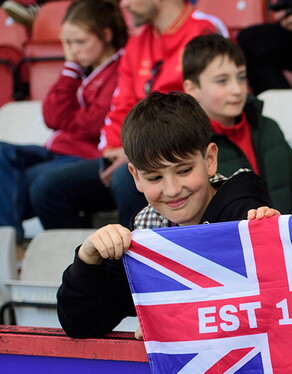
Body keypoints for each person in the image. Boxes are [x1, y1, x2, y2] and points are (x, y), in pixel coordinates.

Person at [57, 91, 277, 339]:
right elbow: (82, 324)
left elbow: (267, 308)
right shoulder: (143, 230)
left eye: (183, 171)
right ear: (136, 177)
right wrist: (88, 260)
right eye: (154, 177)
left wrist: (169, 320)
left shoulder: (245, 213)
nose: (172, 190)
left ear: (210, 160)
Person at [30, 0, 227, 230]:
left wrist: (133, 153)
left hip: (180, 157)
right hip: (129, 157)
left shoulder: (204, 29)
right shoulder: (136, 43)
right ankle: (92, 252)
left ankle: (140, 249)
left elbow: (215, 106)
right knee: (46, 188)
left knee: (126, 178)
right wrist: (111, 150)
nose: (125, 4)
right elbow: (120, 107)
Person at [0, 0, 125, 241]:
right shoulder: (80, 69)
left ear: (106, 35)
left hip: (82, 157)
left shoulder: (119, 70)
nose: (73, 51)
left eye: (80, 42)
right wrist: (70, 68)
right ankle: (9, 244)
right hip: (55, 152)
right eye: (67, 43)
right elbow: (52, 116)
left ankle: (12, 245)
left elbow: (92, 124)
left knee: (20, 184)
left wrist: (66, 118)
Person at [182, 34, 292, 213]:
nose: (237, 89)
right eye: (222, 81)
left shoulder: (267, 128)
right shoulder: (190, 144)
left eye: (241, 77)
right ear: (192, 89)